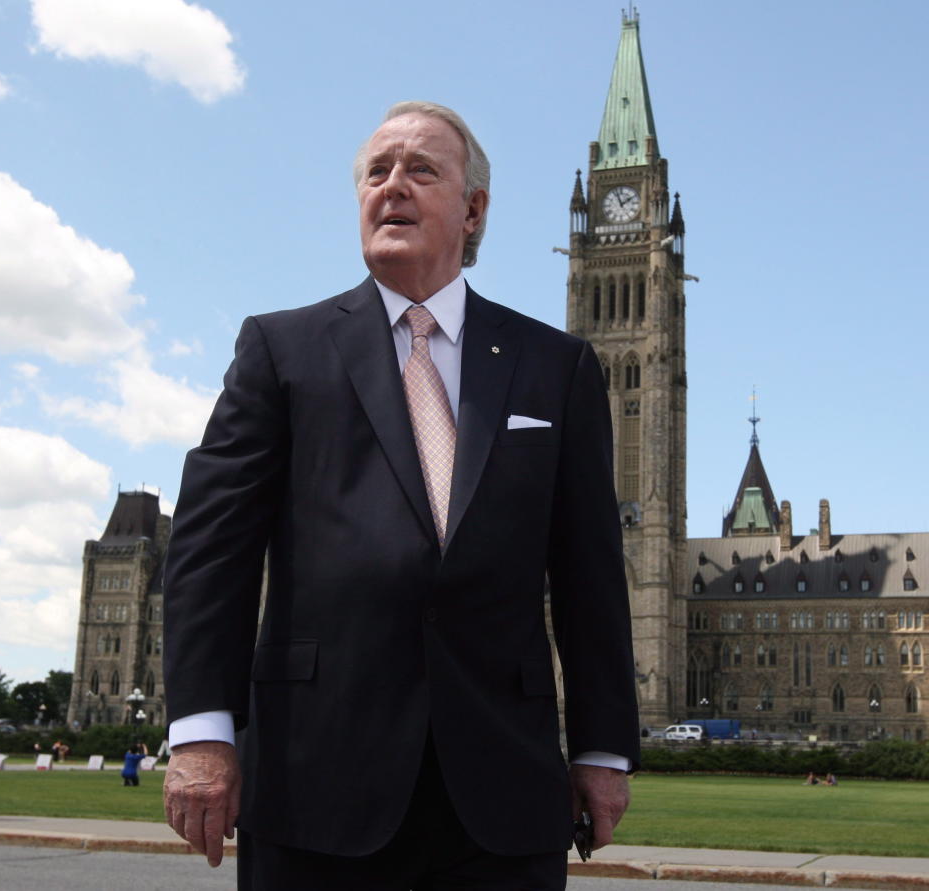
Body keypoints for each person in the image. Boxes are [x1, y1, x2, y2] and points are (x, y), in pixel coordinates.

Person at [162, 101, 640, 889]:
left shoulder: (557, 366)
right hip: (315, 776)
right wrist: (202, 733)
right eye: (377, 172)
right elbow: (211, 551)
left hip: (502, 787)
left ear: (474, 210)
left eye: (421, 170)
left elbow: (592, 573)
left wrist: (600, 747)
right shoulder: (281, 350)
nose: (393, 186)